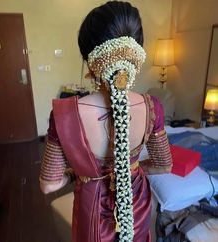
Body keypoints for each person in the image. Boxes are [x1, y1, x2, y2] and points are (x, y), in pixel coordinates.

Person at [39, 1, 172, 242]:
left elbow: (48, 185)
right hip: (137, 204)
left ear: (91, 60)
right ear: (137, 55)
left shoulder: (65, 114)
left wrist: (75, 173)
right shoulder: (153, 106)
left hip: (93, 209)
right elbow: (164, 166)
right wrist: (129, 168)